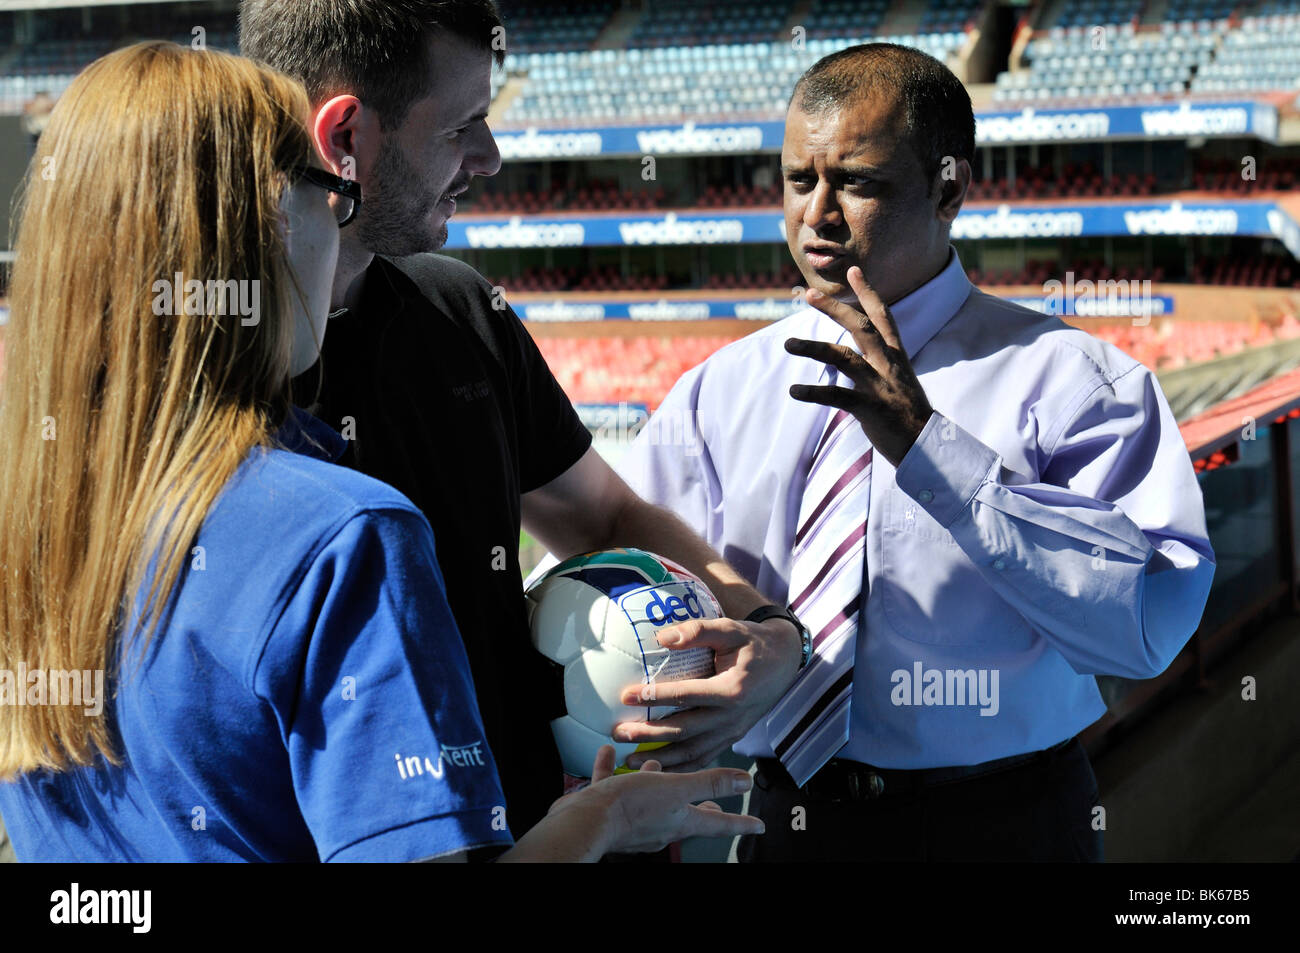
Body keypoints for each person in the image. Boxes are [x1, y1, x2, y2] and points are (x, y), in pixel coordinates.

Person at [0, 41, 761, 863]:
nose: (338, 227)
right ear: (262, 229)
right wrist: (604, 821)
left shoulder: (28, 512)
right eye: (328, 195)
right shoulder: (345, 533)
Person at [612, 43, 1217, 861]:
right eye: (799, 180)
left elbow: (1148, 624)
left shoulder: (1078, 381)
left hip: (1005, 823)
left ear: (949, 188)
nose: (817, 214)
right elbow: (632, 579)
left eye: (857, 182)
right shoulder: (716, 391)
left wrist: (936, 455)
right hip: (789, 821)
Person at [238, 0, 808, 838]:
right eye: (463, 125)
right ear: (348, 137)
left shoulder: (462, 309)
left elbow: (604, 515)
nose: (490, 156)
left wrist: (764, 628)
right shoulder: (201, 378)